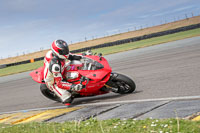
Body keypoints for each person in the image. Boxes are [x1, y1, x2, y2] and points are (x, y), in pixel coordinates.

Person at [43, 39, 83, 104]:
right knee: (68, 100)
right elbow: (59, 83)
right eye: (63, 51)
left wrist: (84, 56)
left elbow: (72, 56)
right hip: (53, 81)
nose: (66, 52)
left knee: (77, 64)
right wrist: (73, 86)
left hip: (61, 69)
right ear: (57, 52)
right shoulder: (55, 66)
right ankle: (63, 94)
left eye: (66, 49)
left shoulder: (60, 54)